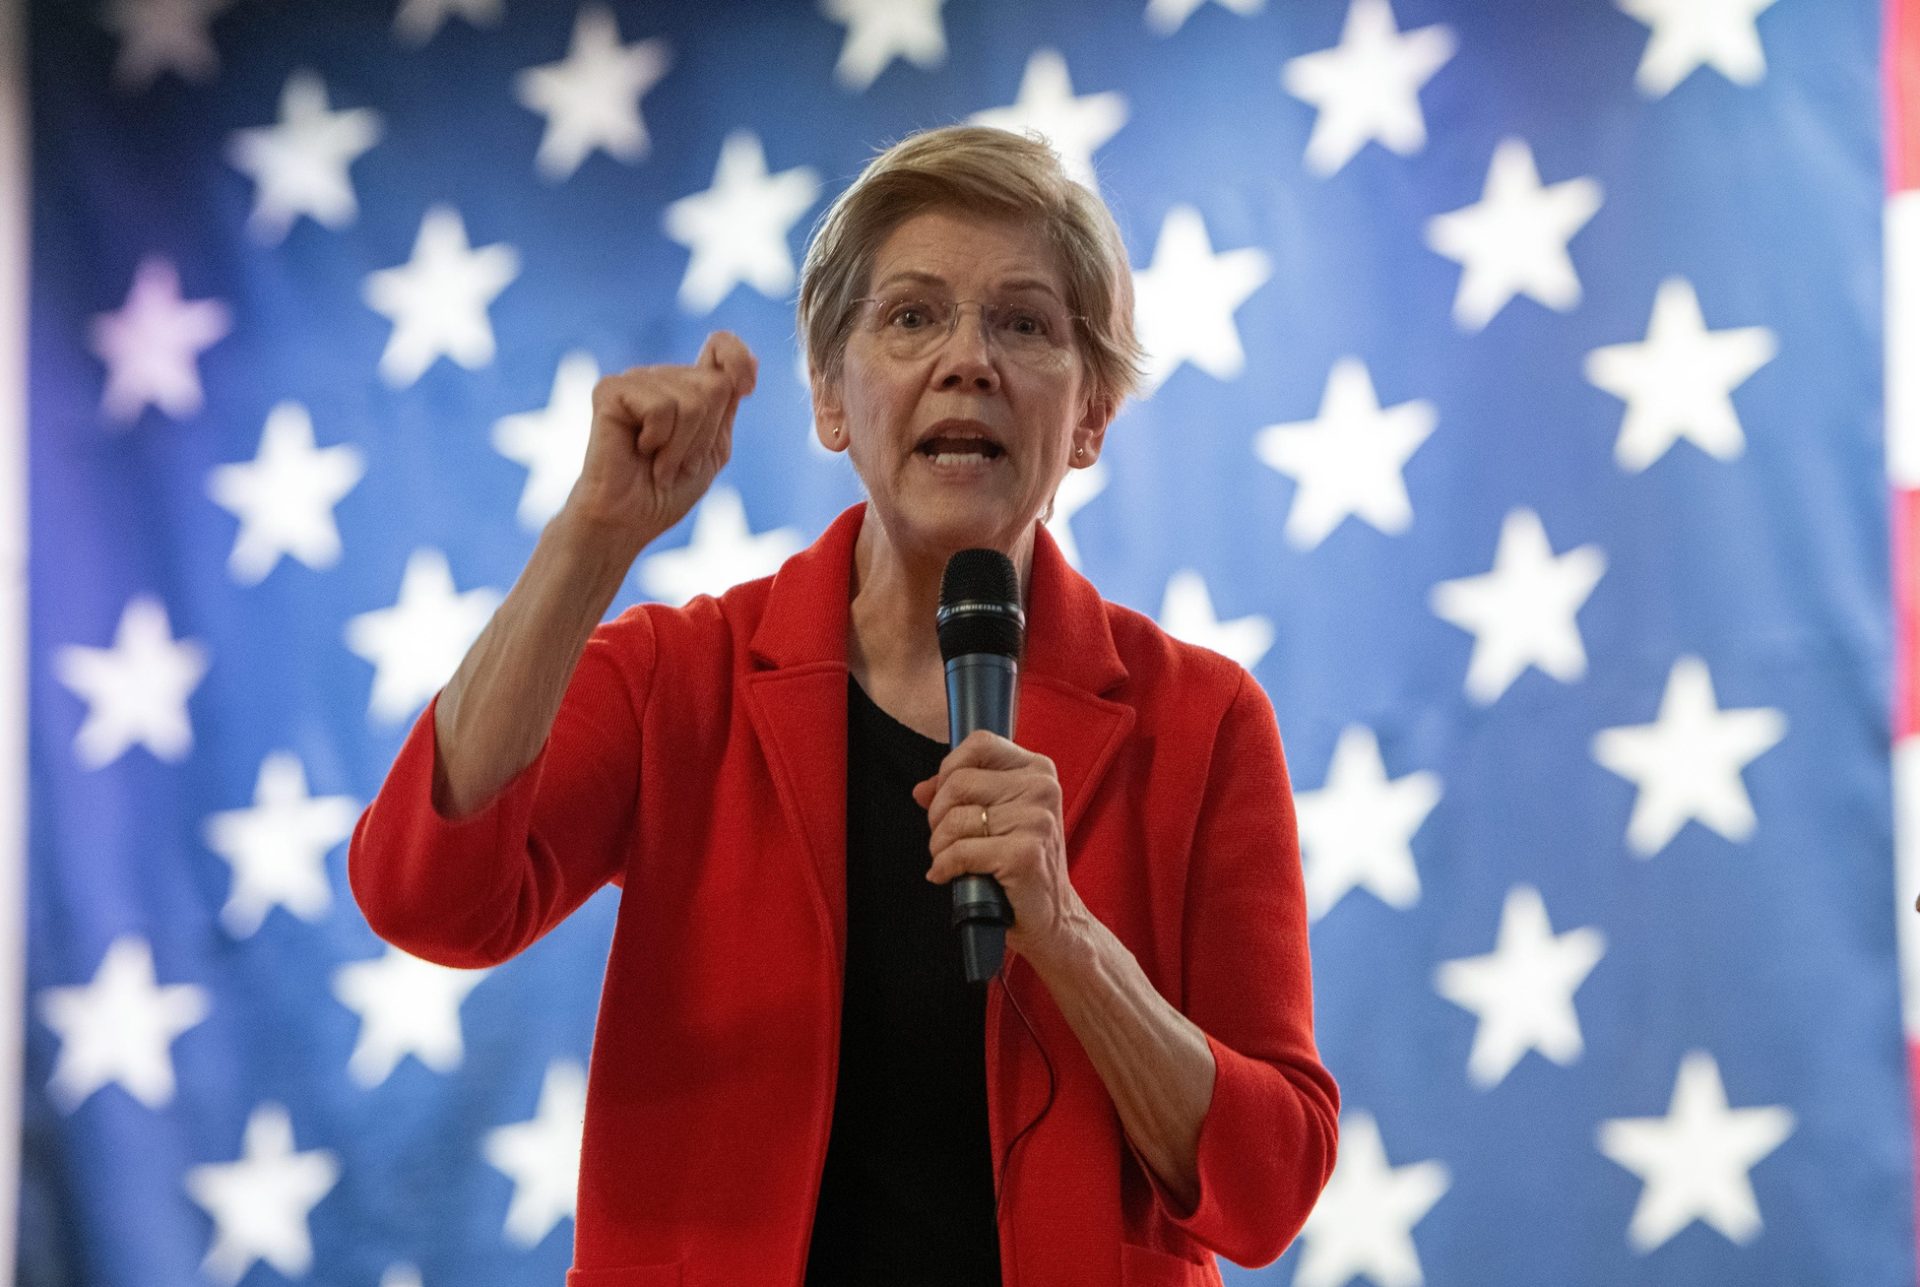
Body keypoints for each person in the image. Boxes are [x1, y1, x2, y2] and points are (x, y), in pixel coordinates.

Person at [349, 124, 1338, 1287]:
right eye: (912, 317)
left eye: (1023, 323)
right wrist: (594, 538)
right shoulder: (684, 678)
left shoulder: (1203, 722)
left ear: (1090, 419)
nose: (968, 359)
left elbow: (1269, 1188)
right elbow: (429, 898)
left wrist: (1069, 939)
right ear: (829, 397)